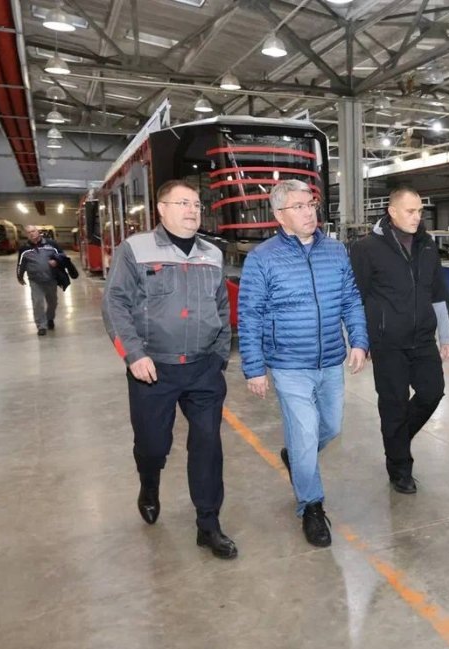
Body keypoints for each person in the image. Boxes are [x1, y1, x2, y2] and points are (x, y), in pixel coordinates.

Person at [101, 180, 237, 560]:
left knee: (208, 446)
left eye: (196, 204)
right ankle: (149, 481)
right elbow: (114, 304)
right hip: (152, 370)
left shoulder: (212, 254)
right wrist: (133, 355)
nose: (193, 210)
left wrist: (219, 356)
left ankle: (208, 524)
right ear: (161, 209)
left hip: (203, 369)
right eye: (183, 203)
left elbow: (221, 307)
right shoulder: (135, 249)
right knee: (153, 444)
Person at [238, 180, 368, 548]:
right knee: (307, 434)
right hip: (289, 364)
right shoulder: (262, 258)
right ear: (280, 215)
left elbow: (350, 299)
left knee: (331, 426)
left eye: (311, 204)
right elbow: (250, 315)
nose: (309, 212)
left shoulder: (336, 252)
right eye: (299, 207)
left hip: (330, 360)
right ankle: (311, 506)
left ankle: (296, 455)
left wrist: (359, 340)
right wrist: (254, 368)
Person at [350, 187, 449, 494]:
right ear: (392, 211)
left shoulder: (427, 245)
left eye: (420, 211)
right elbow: (356, 297)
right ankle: (399, 468)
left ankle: (396, 440)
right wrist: (360, 341)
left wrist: (446, 335)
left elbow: (438, 292)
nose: (417, 217)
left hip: (422, 339)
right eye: (410, 211)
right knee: (393, 404)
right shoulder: (366, 248)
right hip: (387, 342)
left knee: (432, 392)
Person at [16, 225, 65, 335]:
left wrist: (56, 261)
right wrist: (19, 276)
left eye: (33, 231)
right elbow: (20, 264)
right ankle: (41, 326)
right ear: (26, 235)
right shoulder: (24, 249)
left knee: (53, 302)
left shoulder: (51, 244)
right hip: (35, 280)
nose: (31, 234)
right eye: (29, 232)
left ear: (38, 232)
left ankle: (50, 318)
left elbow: (62, 255)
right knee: (37, 303)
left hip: (51, 279)